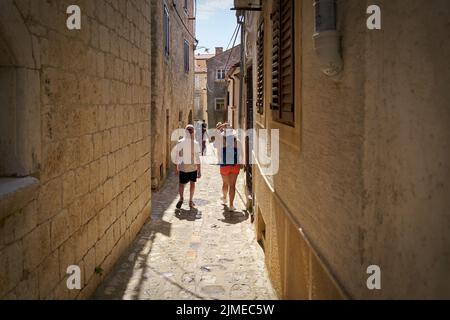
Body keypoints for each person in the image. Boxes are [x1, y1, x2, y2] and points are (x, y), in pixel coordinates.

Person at [214, 122, 242, 211]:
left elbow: (215, 132)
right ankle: (231, 205)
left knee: (225, 183)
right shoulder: (237, 141)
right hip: (235, 165)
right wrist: (241, 163)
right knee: (232, 185)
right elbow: (242, 154)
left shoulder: (222, 141)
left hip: (224, 166)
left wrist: (222, 126)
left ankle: (224, 197)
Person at [175, 124, 202, 209]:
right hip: (192, 167)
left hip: (183, 167)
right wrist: (199, 170)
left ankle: (181, 198)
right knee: (192, 184)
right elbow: (197, 158)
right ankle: (190, 200)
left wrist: (177, 168)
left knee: (181, 184)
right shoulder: (195, 143)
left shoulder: (180, 142)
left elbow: (177, 156)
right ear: (193, 132)